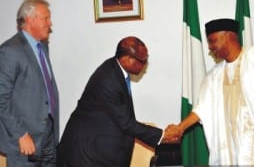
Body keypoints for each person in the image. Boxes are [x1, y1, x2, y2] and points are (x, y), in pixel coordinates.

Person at [166, 18, 254, 165]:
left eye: (212, 41)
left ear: (228, 36)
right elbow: (201, 109)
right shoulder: (214, 75)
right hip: (233, 147)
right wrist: (180, 128)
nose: (210, 47)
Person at [57, 36, 173, 167]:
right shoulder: (108, 79)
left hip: (101, 150)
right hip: (87, 154)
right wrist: (163, 135)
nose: (145, 64)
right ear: (128, 59)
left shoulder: (117, 71)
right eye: (143, 60)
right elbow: (127, 123)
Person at [0, 0, 59, 167]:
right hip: (24, 141)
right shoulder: (10, 51)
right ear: (30, 19)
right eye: (45, 18)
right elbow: (1, 99)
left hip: (48, 135)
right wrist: (21, 134)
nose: (50, 24)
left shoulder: (43, 46)